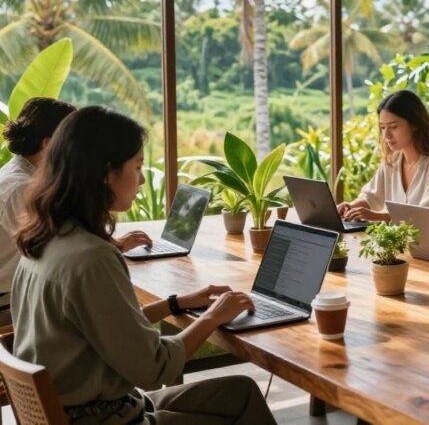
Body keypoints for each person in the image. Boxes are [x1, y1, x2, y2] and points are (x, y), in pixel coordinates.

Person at [12, 106, 275, 424]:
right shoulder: (93, 258)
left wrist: (176, 303)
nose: (139, 182)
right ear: (106, 173)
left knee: (240, 392)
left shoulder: (44, 240)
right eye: (136, 168)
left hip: (81, 411)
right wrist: (213, 317)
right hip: (108, 418)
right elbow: (155, 368)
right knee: (241, 409)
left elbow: (111, 328)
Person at [0, 98, 150, 327]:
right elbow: (58, 251)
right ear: (50, 144)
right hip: (9, 305)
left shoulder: (20, 175)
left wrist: (111, 244)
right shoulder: (21, 188)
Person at [337, 90, 429, 225]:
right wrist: (351, 207)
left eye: (393, 127)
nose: (386, 135)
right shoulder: (393, 160)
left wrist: (380, 216)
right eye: (383, 127)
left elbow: (428, 214)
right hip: (398, 245)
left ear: (414, 125)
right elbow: (371, 197)